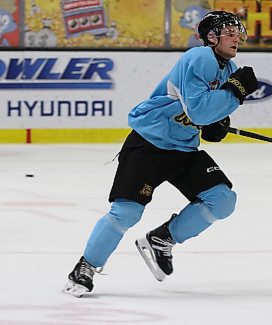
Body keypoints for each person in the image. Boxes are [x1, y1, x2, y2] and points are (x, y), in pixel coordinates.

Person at [63, 10, 258, 297]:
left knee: (222, 199)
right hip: (149, 144)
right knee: (126, 213)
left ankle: (162, 238)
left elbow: (206, 117)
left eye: (235, 30)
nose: (234, 37)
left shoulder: (228, 70)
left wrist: (217, 124)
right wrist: (234, 95)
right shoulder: (199, 57)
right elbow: (200, 110)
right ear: (211, 37)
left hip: (184, 149)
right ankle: (86, 266)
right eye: (227, 31)